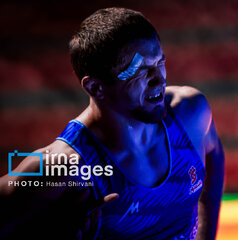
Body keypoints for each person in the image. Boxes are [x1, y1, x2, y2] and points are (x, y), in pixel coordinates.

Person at [0, 7, 224, 240]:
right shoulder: (64, 165)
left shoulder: (190, 113)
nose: (159, 78)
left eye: (159, 62)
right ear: (95, 87)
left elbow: (214, 156)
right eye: (139, 71)